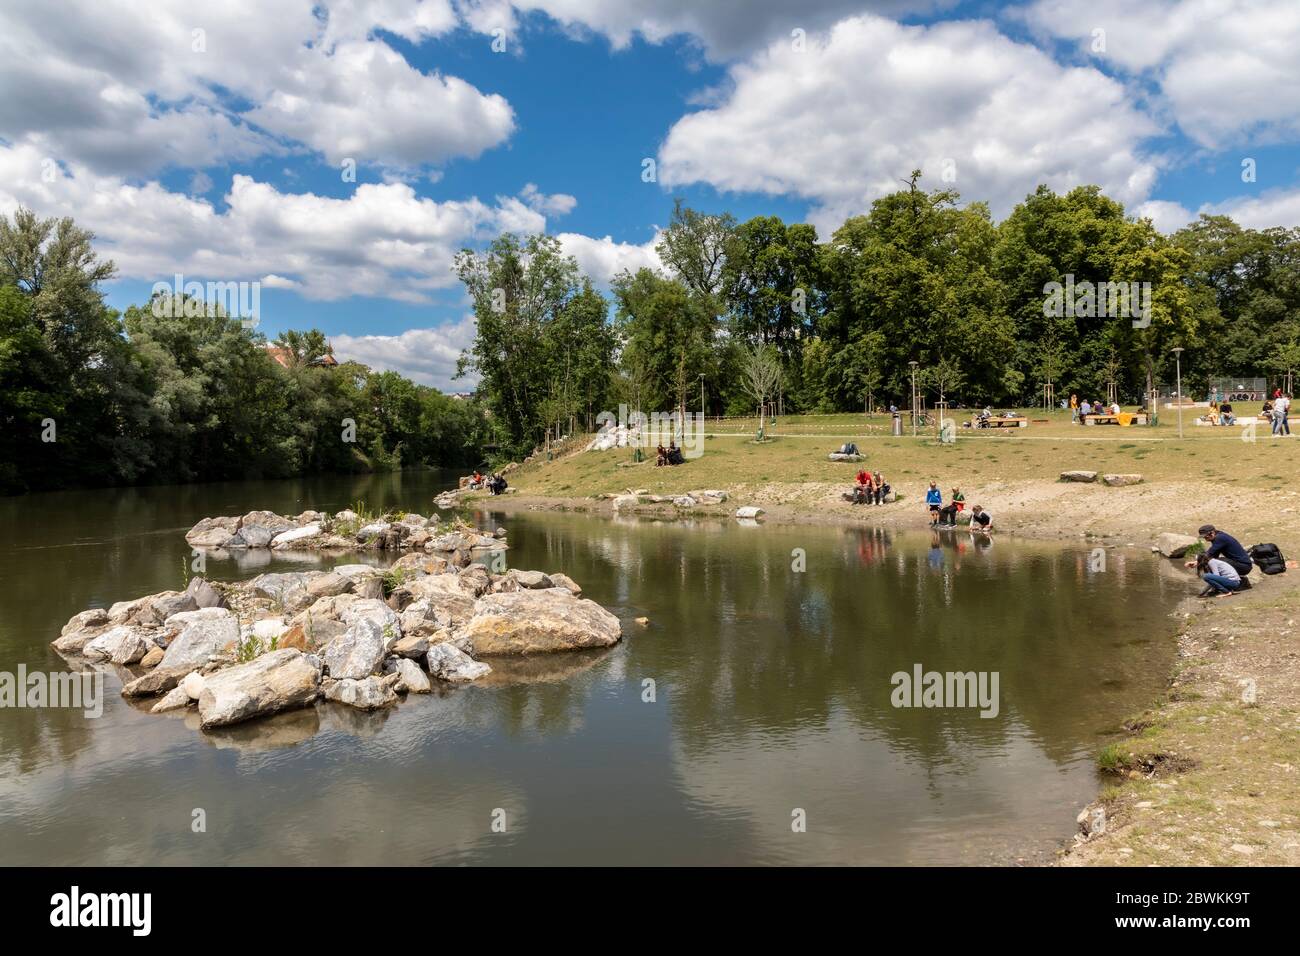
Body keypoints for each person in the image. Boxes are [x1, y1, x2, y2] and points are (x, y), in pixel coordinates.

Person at [1184, 524, 1252, 587]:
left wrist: (1197, 562)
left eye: (1206, 536)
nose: (1205, 538)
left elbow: (1209, 555)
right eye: (1203, 537)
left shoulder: (1220, 538)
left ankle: (1221, 585)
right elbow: (1213, 555)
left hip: (1244, 566)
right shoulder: (1218, 537)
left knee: (1212, 563)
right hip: (1242, 565)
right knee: (1213, 561)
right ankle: (1236, 581)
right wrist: (1197, 562)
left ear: (1212, 533)